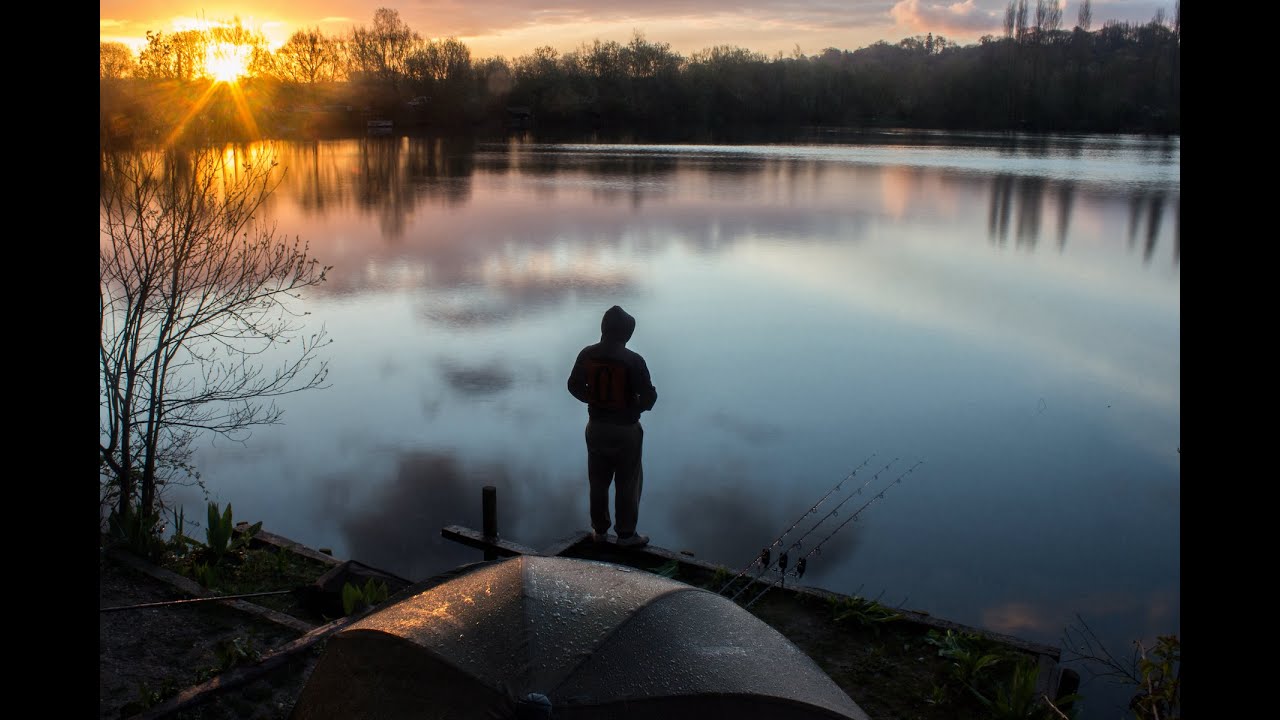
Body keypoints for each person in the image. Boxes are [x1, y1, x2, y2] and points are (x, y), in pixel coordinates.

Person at [567, 305, 658, 548]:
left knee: (597, 481)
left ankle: (599, 531)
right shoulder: (634, 360)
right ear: (626, 334)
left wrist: (594, 399)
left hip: (596, 426)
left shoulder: (587, 354)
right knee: (628, 482)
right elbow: (648, 399)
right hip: (626, 429)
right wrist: (637, 405)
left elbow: (574, 386)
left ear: (603, 329)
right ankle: (626, 535)